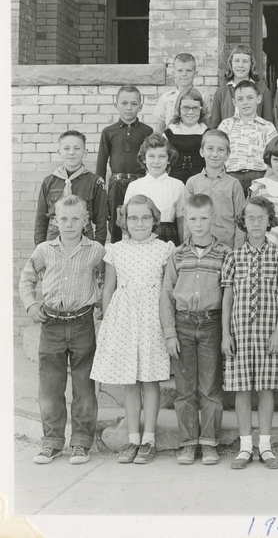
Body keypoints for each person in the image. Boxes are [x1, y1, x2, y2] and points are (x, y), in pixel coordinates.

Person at [19, 195, 105, 465]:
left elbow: (105, 278)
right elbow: (27, 278)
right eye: (63, 219)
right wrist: (31, 304)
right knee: (50, 387)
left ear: (85, 220)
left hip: (82, 323)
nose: (69, 224)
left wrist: (101, 302)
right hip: (51, 324)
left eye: (76, 219)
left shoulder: (96, 251)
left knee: (83, 386)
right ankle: (52, 442)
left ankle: (81, 443)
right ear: (55, 220)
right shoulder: (44, 250)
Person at [91, 194, 175, 465]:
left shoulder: (164, 249)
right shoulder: (116, 249)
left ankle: (149, 439)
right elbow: (109, 288)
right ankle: (132, 438)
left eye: (145, 218)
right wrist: (106, 321)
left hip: (152, 317)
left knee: (150, 379)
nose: (139, 223)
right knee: (130, 379)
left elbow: (167, 289)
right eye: (133, 218)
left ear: (155, 220)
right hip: (124, 316)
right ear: (124, 220)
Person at [222, 196, 278, 470]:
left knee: (265, 388)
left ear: (269, 221)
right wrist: (226, 334)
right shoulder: (233, 256)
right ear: (243, 221)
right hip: (240, 333)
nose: (255, 223)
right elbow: (227, 297)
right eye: (250, 218)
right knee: (241, 389)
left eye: (261, 218)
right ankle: (245, 446)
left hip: (268, 334)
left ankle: (265, 445)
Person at [160, 194, 230, 466]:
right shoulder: (177, 254)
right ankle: (188, 444)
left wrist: (226, 332)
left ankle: (210, 443)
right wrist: (169, 332)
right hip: (183, 325)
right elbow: (166, 294)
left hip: (211, 324)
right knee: (185, 389)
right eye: (192, 219)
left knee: (211, 388)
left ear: (213, 218)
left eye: (203, 218)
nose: (198, 224)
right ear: (185, 220)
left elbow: (228, 294)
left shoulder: (225, 253)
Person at [96, 85, 153, 243]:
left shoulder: (147, 131)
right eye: (124, 103)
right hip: (117, 185)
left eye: (134, 104)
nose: (129, 108)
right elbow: (101, 162)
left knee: (138, 221)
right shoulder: (109, 132)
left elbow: (150, 160)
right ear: (116, 105)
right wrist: (100, 191)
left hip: (139, 183)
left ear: (140, 106)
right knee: (116, 224)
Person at [35, 130, 107, 246]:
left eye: (77, 148)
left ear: (85, 153)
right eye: (66, 148)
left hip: (84, 235)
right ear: (59, 153)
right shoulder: (48, 182)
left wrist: (98, 248)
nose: (71, 153)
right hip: (54, 235)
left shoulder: (95, 182)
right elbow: (41, 219)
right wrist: (39, 246)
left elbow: (101, 220)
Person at [184, 130, 246, 249]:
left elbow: (240, 221)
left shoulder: (234, 184)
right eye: (210, 149)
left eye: (221, 150)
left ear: (227, 155)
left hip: (226, 247)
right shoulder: (192, 183)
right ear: (202, 152)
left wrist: (238, 251)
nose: (215, 154)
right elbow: (187, 218)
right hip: (198, 247)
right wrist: (187, 246)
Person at [218, 80, 278, 194]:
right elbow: (218, 154)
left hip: (260, 176)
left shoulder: (267, 127)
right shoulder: (225, 125)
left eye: (250, 98)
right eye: (240, 99)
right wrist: (224, 179)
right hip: (231, 177)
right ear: (234, 102)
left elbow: (275, 157)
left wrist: (264, 181)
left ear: (259, 99)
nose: (245, 102)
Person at [124, 134, 185, 245]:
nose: (156, 161)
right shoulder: (134, 186)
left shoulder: (178, 185)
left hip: (168, 236)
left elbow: (181, 220)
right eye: (151, 156)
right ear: (143, 159)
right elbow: (126, 219)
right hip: (140, 235)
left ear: (169, 160)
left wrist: (183, 245)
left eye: (162, 156)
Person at [209, 44, 273, 129]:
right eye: (237, 61)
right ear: (231, 63)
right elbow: (214, 126)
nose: (240, 65)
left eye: (245, 61)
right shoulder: (221, 92)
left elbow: (268, 123)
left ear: (251, 64)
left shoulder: (262, 91)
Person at [153, 53, 209, 135]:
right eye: (180, 70)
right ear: (173, 73)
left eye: (188, 70)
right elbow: (160, 128)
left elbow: (206, 123)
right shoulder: (166, 98)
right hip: (172, 142)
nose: (184, 74)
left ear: (195, 73)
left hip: (197, 140)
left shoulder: (203, 96)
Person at [164, 87, 208, 184]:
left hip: (201, 183)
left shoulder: (206, 133)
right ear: (179, 108)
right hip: (173, 182)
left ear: (201, 109)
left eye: (195, 108)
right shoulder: (170, 133)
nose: (191, 112)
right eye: (186, 108)